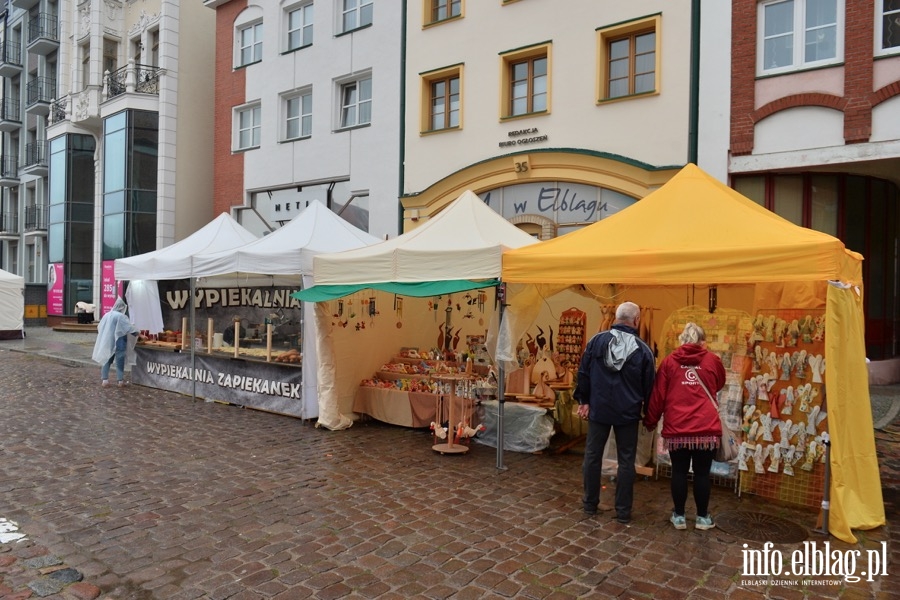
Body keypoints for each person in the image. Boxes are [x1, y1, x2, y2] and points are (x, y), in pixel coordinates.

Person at [574, 301, 656, 524]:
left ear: (615, 318)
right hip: (627, 413)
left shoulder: (596, 341)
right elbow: (650, 386)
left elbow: (583, 373)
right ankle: (623, 511)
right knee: (626, 460)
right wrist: (650, 414)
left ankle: (590, 504)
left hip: (599, 408)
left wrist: (584, 400)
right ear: (637, 320)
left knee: (592, 456)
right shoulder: (643, 349)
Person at [644, 322, 726, 531]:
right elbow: (719, 383)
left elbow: (658, 395)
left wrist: (651, 421)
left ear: (681, 340)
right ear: (702, 341)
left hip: (677, 428)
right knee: (701, 474)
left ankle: (679, 516)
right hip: (705, 429)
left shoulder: (670, 362)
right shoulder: (713, 360)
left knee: (679, 472)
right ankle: (702, 518)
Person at [92, 297, 145, 387]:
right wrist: (140, 334)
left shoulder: (107, 315)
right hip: (119, 341)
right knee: (119, 361)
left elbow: (99, 327)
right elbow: (129, 328)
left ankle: (105, 380)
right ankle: (120, 381)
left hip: (108, 341)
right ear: (122, 308)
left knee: (107, 359)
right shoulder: (120, 316)